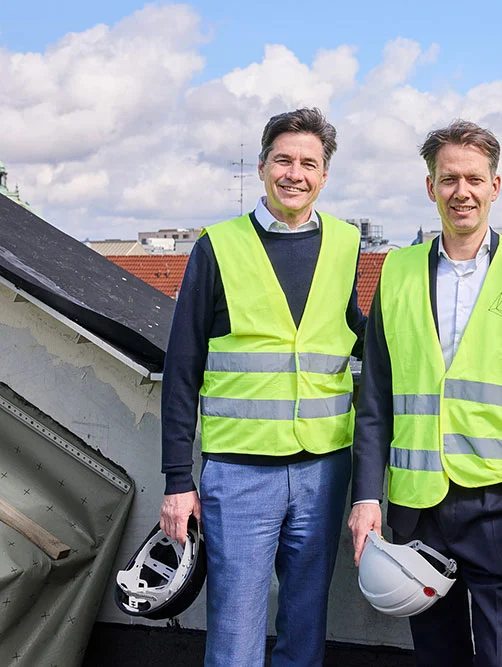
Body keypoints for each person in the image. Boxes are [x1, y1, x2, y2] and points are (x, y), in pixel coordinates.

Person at [348, 120, 502, 667]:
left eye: (474, 179)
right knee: (436, 656)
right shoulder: (397, 270)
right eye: (448, 179)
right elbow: (376, 395)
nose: (462, 192)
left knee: (501, 657)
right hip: (415, 505)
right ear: (431, 187)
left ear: (495, 187)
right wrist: (365, 497)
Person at [159, 107, 366, 667]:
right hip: (240, 471)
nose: (294, 173)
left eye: (309, 163)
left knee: (305, 624)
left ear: (324, 176)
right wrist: (178, 479)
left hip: (324, 468)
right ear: (260, 167)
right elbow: (182, 368)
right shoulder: (217, 246)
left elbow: (361, 339)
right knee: (234, 631)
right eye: (283, 160)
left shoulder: (348, 246)